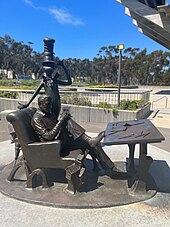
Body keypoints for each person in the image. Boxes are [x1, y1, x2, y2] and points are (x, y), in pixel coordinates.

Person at [31, 94, 119, 176]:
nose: (50, 107)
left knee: (92, 144)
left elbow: (56, 127)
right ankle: (89, 140)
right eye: (47, 104)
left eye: (50, 104)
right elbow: (48, 137)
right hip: (53, 147)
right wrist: (61, 120)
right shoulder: (37, 119)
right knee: (67, 122)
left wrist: (63, 120)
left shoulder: (49, 113)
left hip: (61, 141)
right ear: (40, 104)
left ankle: (111, 169)